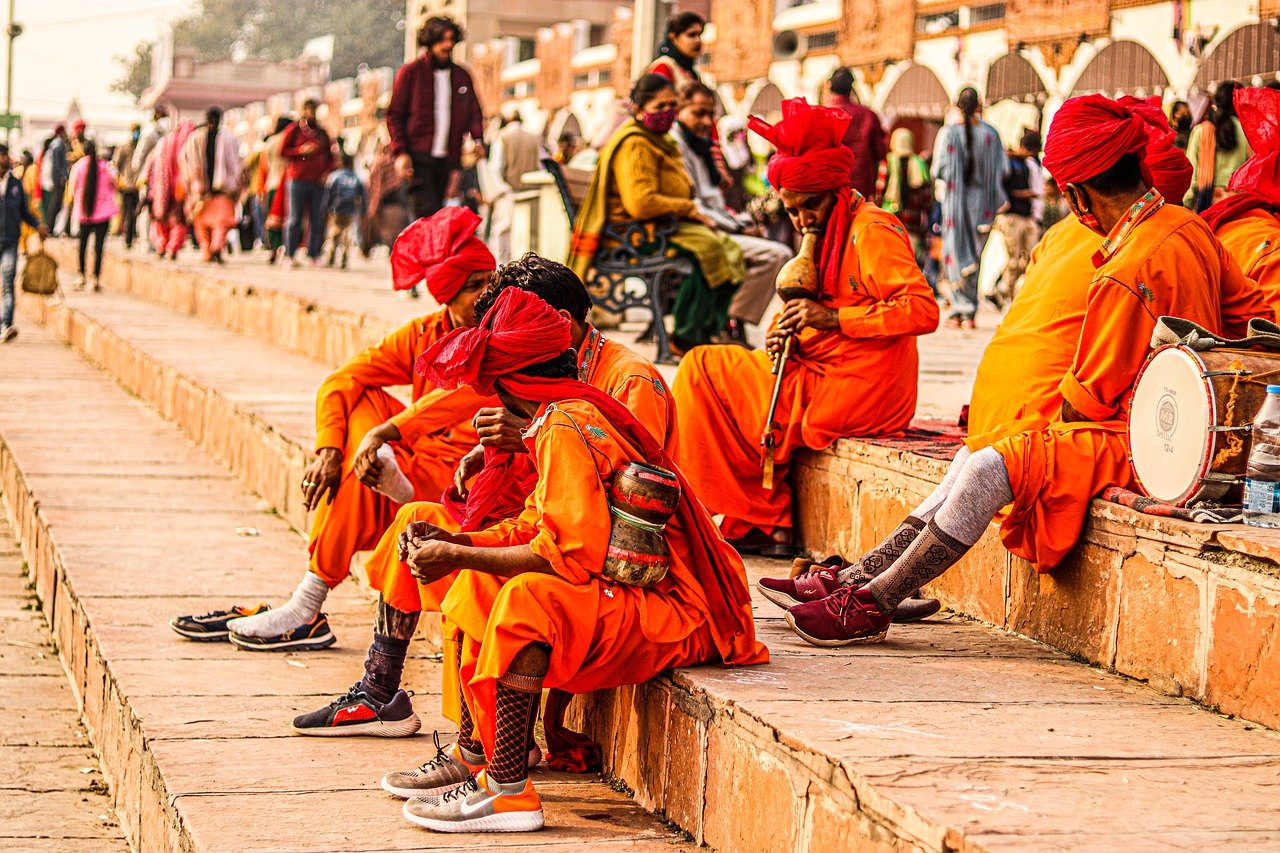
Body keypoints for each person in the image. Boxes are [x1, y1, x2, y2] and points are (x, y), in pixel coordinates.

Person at [775, 94, 1271, 647]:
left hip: (1148, 446)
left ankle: (873, 603)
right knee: (978, 455)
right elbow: (1254, 315)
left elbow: (1086, 402)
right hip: (1170, 430)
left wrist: (1042, 427)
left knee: (993, 464)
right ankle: (859, 578)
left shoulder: (1126, 268)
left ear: (1077, 194)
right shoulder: (1189, 226)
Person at [380, 283, 766, 833]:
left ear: (515, 384)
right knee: (471, 584)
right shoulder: (563, 415)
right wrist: (460, 548)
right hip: (627, 588)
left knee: (525, 601)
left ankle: (511, 793)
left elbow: (568, 556)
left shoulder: (565, 423)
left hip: (674, 610)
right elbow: (539, 524)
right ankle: (479, 761)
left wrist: (460, 553)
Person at [290, 255, 675, 737]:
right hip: (551, 524)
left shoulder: (627, 380)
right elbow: (550, 486)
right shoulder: (549, 385)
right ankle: (380, 689)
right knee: (417, 523)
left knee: (477, 579)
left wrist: (525, 441)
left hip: (618, 560)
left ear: (558, 325)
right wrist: (495, 451)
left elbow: (613, 510)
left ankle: (489, 755)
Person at [174, 209, 497, 650]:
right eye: (473, 286)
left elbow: (463, 399)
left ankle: (307, 603)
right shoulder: (425, 333)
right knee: (357, 408)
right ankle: (371, 494)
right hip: (411, 469)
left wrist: (386, 432)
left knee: (367, 447)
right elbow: (340, 381)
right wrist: (327, 449)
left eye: (489, 282)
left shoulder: (505, 335)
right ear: (446, 296)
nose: (487, 295)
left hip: (467, 483)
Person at [671, 98, 940, 558]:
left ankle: (764, 514)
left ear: (836, 190)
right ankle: (761, 517)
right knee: (704, 367)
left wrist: (832, 320)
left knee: (702, 370)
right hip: (825, 370)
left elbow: (922, 310)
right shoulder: (820, 233)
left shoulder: (870, 230)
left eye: (809, 207)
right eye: (791, 211)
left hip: (865, 385)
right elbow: (815, 299)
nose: (802, 220)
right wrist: (784, 330)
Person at [570, 74, 745, 353]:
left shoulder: (659, 141)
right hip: (636, 233)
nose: (668, 113)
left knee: (731, 250)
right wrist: (688, 208)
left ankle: (707, 330)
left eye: (672, 106)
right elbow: (641, 203)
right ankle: (686, 336)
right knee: (711, 249)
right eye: (659, 106)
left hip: (664, 225)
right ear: (639, 109)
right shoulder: (635, 144)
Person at [674, 81, 792, 345]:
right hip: (697, 227)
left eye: (710, 114)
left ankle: (726, 322)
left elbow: (714, 201)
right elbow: (695, 204)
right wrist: (737, 227)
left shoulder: (701, 145)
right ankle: (723, 322)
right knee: (775, 255)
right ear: (679, 109)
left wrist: (744, 220)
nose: (706, 121)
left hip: (718, 221)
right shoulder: (678, 145)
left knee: (771, 251)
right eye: (698, 113)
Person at [386, 15, 485, 220]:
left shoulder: (461, 76)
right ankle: (424, 252)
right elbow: (394, 115)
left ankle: (429, 252)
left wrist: (478, 139)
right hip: (418, 157)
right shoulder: (411, 73)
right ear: (430, 42)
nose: (447, 45)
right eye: (442, 40)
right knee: (425, 215)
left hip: (449, 159)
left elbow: (474, 113)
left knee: (439, 215)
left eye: (451, 39)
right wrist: (401, 152)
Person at [933, 86, 1007, 328]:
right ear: (980, 105)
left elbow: (939, 170)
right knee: (975, 257)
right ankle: (969, 312)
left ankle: (959, 308)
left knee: (954, 256)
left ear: (956, 104)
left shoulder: (948, 133)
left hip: (956, 208)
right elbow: (1002, 170)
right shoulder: (991, 135)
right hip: (982, 208)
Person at [1202, 86, 1280, 310]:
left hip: (1224, 196)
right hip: (1241, 191)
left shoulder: (1204, 129)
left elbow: (1195, 170)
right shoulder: (1240, 127)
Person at [179, 106, 243, 263]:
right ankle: (211, 250)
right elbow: (238, 164)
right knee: (212, 223)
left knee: (217, 223)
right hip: (207, 191)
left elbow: (182, 159)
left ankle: (213, 250)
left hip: (215, 191)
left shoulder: (225, 138)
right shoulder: (224, 138)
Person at [990, 129, 1044, 307]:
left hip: (1027, 217)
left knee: (1028, 259)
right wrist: (1024, 194)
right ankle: (1006, 296)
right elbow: (1002, 189)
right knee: (1013, 259)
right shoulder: (1010, 163)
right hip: (1012, 216)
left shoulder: (1029, 164)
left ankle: (1005, 290)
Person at [0, 144, 48, 343]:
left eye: (5, 156)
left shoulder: (16, 184)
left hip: (10, 240)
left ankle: (6, 325)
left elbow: (24, 212)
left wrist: (38, 225)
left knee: (8, 284)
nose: (4, 160)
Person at [281, 99, 335, 266]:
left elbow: (331, 157)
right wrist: (300, 151)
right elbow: (282, 151)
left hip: (317, 182)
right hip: (297, 180)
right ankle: (290, 254)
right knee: (294, 218)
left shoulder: (322, 133)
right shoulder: (294, 131)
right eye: (308, 110)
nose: (311, 114)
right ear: (303, 111)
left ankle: (314, 254)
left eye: (314, 110)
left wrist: (327, 172)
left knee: (317, 218)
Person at [1187, 82, 1252, 212]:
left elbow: (1192, 171)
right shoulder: (1246, 129)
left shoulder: (1201, 130)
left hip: (1207, 203)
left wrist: (1187, 202)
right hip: (1238, 205)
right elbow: (1252, 166)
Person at [488, 113, 543, 264]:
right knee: (530, 234)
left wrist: (502, 189)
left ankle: (502, 267)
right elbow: (541, 164)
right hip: (532, 191)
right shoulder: (534, 137)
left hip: (509, 192)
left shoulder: (502, 136)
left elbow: (496, 167)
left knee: (503, 233)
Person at [825, 68, 887, 199]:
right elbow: (880, 151)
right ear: (851, 88)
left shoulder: (821, 115)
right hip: (860, 190)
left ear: (830, 86)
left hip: (828, 188)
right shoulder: (868, 115)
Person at [876, 127, 932, 261]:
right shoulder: (920, 164)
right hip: (913, 223)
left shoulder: (887, 162)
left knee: (888, 260)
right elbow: (927, 196)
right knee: (907, 261)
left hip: (890, 219)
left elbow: (879, 190)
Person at [67, 140, 116, 291]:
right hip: (103, 213)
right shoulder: (105, 166)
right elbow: (114, 185)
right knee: (98, 247)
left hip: (85, 212)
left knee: (82, 245)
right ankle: (95, 278)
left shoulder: (79, 166)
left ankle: (81, 276)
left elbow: (71, 189)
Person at [255, 117, 292, 263]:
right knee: (286, 219)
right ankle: (287, 248)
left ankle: (273, 249)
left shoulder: (269, 142)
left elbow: (264, 167)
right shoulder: (289, 140)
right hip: (286, 184)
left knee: (272, 219)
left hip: (271, 183)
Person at [322, 151, 366, 269]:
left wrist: (325, 208)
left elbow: (328, 194)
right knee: (346, 233)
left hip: (336, 208)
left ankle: (331, 256)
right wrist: (363, 210)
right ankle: (345, 259)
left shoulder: (335, 176)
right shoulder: (356, 178)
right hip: (350, 209)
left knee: (334, 232)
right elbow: (363, 196)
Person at [645, 11, 706, 88]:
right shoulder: (664, 67)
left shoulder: (691, 71)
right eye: (691, 35)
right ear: (673, 38)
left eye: (700, 35)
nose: (698, 41)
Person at [113, 124, 143, 249]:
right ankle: (128, 238)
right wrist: (119, 181)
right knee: (128, 213)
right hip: (127, 185)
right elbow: (116, 164)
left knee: (137, 213)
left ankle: (134, 237)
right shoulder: (124, 147)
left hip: (139, 184)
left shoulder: (141, 146)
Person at [39, 124, 69, 237]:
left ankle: (51, 228)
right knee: (55, 205)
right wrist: (61, 178)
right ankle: (50, 229)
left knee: (56, 205)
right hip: (58, 180)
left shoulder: (57, 144)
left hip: (57, 179)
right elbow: (56, 165)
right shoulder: (58, 145)